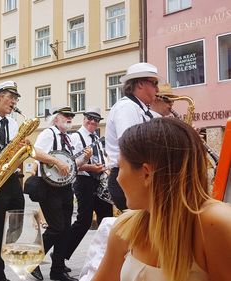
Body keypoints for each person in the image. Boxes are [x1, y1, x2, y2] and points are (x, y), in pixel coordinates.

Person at [92, 118, 231, 281]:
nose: (117, 178)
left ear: (146, 173)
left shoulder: (215, 223)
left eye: (120, 167)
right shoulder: (126, 227)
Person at [0, 81, 71, 281]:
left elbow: (17, 151)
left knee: (15, 228)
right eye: (11, 97)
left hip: (11, 180)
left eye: (16, 98)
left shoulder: (12, 122)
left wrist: (25, 146)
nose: (14, 102)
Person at [31, 106, 91, 281]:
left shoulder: (69, 139)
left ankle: (57, 271)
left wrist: (85, 159)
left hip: (65, 188)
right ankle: (32, 261)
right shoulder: (48, 133)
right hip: (48, 187)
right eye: (66, 115)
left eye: (71, 116)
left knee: (65, 230)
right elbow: (35, 152)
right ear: (56, 118)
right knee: (56, 227)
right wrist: (56, 161)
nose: (70, 118)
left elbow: (71, 165)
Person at [105, 62, 162, 211]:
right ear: (140, 84)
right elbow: (131, 145)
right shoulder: (127, 107)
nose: (157, 89)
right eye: (154, 83)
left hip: (137, 175)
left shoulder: (142, 110)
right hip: (130, 176)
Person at [64, 107, 112, 267]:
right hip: (84, 182)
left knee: (107, 218)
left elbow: (102, 157)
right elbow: (71, 164)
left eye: (96, 120)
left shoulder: (96, 137)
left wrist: (106, 167)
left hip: (99, 181)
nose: (92, 121)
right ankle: (61, 254)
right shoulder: (76, 137)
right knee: (84, 221)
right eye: (89, 118)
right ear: (84, 118)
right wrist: (91, 168)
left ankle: (106, 256)